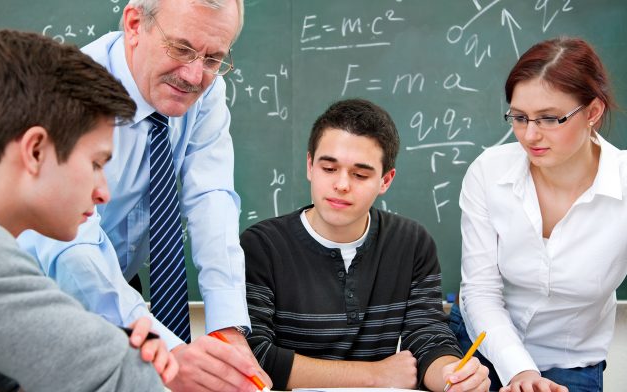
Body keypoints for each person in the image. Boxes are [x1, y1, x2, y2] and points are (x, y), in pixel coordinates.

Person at [16, 0, 269, 391]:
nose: (193, 75)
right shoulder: (69, 90)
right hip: (39, 284)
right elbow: (73, 252)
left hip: (120, 279)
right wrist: (165, 352)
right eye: (181, 49)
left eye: (214, 58)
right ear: (134, 24)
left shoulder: (205, 86)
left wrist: (227, 330)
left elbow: (212, 198)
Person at [0, 29, 177, 391]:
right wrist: (132, 361)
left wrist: (119, 350)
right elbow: (124, 381)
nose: (103, 193)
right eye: (96, 163)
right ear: (35, 151)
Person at [241, 98, 491, 391]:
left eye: (360, 174)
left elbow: (429, 338)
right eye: (329, 169)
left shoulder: (411, 243)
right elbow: (253, 355)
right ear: (310, 166)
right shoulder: (262, 246)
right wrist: (375, 374)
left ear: (386, 180)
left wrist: (453, 376)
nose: (342, 184)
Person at [451, 36, 626, 392]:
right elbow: (481, 291)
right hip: (477, 347)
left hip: (570, 364)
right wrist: (519, 371)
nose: (530, 135)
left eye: (549, 119)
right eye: (519, 117)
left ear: (593, 112)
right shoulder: (489, 172)